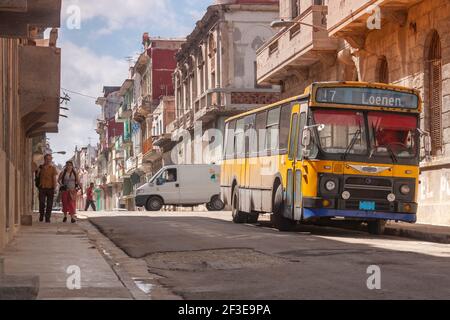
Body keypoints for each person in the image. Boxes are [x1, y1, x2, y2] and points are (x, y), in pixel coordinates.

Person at [36, 154, 58, 223]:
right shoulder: (40, 167)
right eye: (47, 159)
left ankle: (47, 217)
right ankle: (41, 214)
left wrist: (54, 188)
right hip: (42, 187)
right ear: (44, 159)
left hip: (50, 188)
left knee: (49, 204)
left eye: (49, 159)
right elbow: (36, 176)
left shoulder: (53, 168)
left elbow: (54, 179)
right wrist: (38, 171)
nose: (48, 160)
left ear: (51, 160)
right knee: (42, 202)